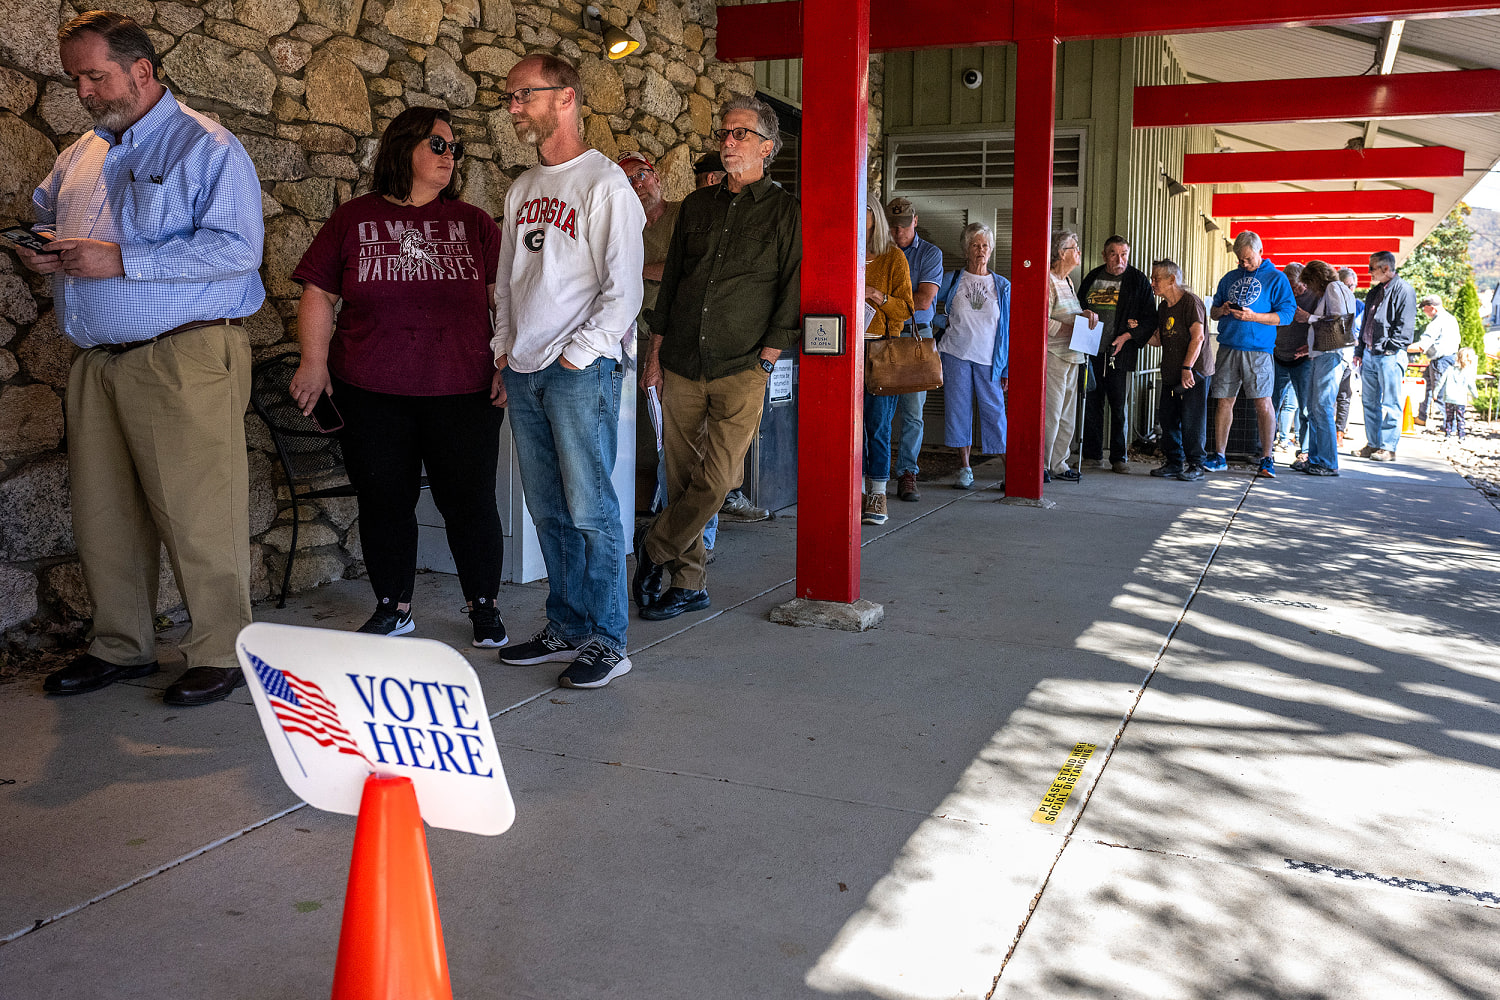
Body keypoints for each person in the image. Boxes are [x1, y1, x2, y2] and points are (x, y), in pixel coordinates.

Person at [23, 11, 264, 706]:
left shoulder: (205, 145)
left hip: (182, 357)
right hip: (98, 361)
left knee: (198, 514)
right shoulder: (78, 156)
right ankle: (121, 646)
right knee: (105, 517)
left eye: (95, 75)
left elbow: (236, 250)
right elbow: (51, 217)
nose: (85, 91)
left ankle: (222, 651)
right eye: (76, 79)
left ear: (142, 70)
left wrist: (121, 259)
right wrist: (42, 249)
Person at [289, 107, 506, 646]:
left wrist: (507, 363)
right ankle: (393, 606)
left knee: (470, 502)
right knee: (384, 499)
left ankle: (484, 605)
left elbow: (504, 304)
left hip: (463, 389)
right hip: (371, 391)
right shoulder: (352, 219)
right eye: (439, 144)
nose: (450, 156)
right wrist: (313, 363)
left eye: (456, 148)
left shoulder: (475, 224)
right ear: (403, 147)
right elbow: (318, 292)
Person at [491, 53, 645, 688]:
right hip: (525, 369)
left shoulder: (605, 185)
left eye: (523, 95)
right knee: (548, 510)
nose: (513, 108)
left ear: (566, 99)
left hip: (579, 372)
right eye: (509, 98)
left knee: (591, 509)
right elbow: (507, 279)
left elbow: (624, 289)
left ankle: (609, 639)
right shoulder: (523, 190)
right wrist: (504, 347)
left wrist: (580, 354)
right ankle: (567, 624)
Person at [635, 96, 801, 618]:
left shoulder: (784, 210)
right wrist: (656, 355)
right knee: (680, 477)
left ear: (766, 148)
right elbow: (676, 287)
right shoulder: (696, 208)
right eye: (725, 133)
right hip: (682, 358)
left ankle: (653, 548)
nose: (727, 142)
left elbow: (792, 289)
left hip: (744, 366)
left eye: (740, 135)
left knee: (720, 479)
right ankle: (688, 584)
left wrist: (768, 358)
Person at [620, 151, 718, 556]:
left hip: (681, 340)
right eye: (627, 179)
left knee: (687, 442)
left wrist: (634, 269)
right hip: (631, 339)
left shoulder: (684, 215)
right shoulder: (621, 226)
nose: (637, 184)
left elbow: (695, 269)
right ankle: (668, 522)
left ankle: (699, 537)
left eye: (641, 174)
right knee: (652, 443)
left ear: (656, 176)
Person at [1204, 231, 1296, 478]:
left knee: (1263, 402)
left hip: (1259, 350)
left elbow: (1286, 315)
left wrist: (1254, 316)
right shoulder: (1229, 278)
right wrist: (1222, 310)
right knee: (1224, 399)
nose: (1243, 264)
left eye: (1247, 259)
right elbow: (1211, 313)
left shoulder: (1276, 279)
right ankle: (1219, 455)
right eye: (1240, 260)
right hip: (1228, 346)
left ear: (1260, 251)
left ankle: (1267, 458)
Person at [933, 223, 1010, 489]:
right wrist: (944, 323)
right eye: (975, 245)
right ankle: (964, 468)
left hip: (990, 360)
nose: (981, 250)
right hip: (955, 355)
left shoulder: (1001, 286)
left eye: (985, 246)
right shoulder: (952, 280)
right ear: (966, 249)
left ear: (991, 250)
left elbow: (1008, 329)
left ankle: (1009, 468)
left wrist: (1007, 368)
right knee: (958, 411)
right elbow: (926, 304)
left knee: (995, 413)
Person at [1078, 236, 1156, 474]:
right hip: (1091, 351)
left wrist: (1128, 337)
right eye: (1114, 254)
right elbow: (1078, 306)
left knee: (1118, 406)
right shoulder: (1093, 277)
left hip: (1119, 353)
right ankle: (1092, 455)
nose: (1119, 259)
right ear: (1104, 255)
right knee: (1091, 402)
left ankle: (1119, 457)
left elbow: (1150, 319)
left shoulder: (1137, 280)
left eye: (1124, 254)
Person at [859, 197, 915, 524]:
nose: (858, 214)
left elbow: (907, 310)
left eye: (864, 209)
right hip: (845, 349)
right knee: (847, 427)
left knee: (877, 426)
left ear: (875, 216)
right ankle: (854, 491)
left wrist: (875, 295)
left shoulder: (893, 258)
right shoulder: (845, 253)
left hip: (880, 349)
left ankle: (878, 494)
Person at [886, 197, 945, 502]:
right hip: (881, 335)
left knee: (913, 412)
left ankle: (907, 471)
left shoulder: (930, 253)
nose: (899, 233)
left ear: (916, 221)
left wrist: (883, 297)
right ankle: (876, 473)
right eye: (894, 227)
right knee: (877, 412)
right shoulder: (879, 251)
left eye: (905, 226)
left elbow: (924, 301)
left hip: (914, 337)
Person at [1141, 260, 1211, 481]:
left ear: (1172, 279)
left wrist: (1187, 367)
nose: (1152, 283)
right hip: (1172, 372)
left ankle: (1196, 465)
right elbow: (1159, 340)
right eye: (1151, 279)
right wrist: (1138, 332)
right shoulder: (1163, 307)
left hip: (1193, 373)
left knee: (1192, 420)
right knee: (1168, 418)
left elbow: (1198, 337)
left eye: (1156, 279)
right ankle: (1174, 463)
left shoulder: (1190, 302)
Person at [1045, 230, 1097, 483]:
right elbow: (1043, 322)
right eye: (1074, 248)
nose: (1078, 252)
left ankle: (1059, 463)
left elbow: (1069, 314)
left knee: (1067, 416)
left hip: (1073, 355)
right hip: (1054, 355)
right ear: (1060, 253)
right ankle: (1042, 464)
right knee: (1051, 413)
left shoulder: (1068, 282)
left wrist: (1084, 315)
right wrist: (1073, 327)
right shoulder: (1048, 281)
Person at [1296, 259, 1356, 476]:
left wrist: (1308, 318)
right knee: (1315, 408)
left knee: (1320, 407)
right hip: (1326, 354)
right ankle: (1316, 458)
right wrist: (1310, 346)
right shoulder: (1341, 289)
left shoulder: (1333, 288)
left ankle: (1327, 462)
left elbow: (1338, 319)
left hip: (1330, 356)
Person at [1355, 250, 1416, 462]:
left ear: (1386, 268)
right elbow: (1366, 323)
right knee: (1369, 402)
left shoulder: (1404, 291)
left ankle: (1388, 448)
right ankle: (1373, 444)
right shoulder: (1375, 292)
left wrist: (1390, 348)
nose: (1369, 272)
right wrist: (1360, 350)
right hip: (1371, 353)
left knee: (1391, 403)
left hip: (1390, 355)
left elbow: (1405, 327)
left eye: (1371, 268)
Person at [1272, 261, 1314, 466]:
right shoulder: (1279, 293)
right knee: (1271, 404)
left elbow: (1324, 322)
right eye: (1291, 286)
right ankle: (1264, 448)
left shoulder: (1315, 296)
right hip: (1278, 354)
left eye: (1299, 286)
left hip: (1303, 359)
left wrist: (1308, 321)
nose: (1296, 291)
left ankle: (1305, 452)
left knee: (1305, 408)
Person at [1407, 294, 1460, 427]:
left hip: (1440, 361)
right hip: (1446, 358)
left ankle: (1450, 425)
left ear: (1432, 308)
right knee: (1428, 388)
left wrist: (1401, 348)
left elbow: (1422, 345)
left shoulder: (1437, 322)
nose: (1423, 311)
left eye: (1424, 308)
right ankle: (1422, 416)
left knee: (1439, 393)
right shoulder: (1450, 318)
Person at [1335, 268, 1364, 447]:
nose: (1350, 289)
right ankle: (1329, 431)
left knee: (1344, 394)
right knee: (1327, 395)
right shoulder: (1330, 302)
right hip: (1331, 353)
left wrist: (1358, 353)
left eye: (1353, 286)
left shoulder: (1360, 306)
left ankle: (1340, 432)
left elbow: (1362, 331)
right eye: (1347, 285)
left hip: (1348, 355)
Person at [1434, 347, 1480, 441]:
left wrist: (1435, 392)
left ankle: (1448, 433)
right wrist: (1475, 395)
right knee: (1460, 418)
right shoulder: (1468, 372)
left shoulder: (1449, 369)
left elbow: (1441, 382)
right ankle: (1461, 435)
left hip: (1449, 398)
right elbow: (1471, 385)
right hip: (1460, 400)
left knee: (1449, 417)